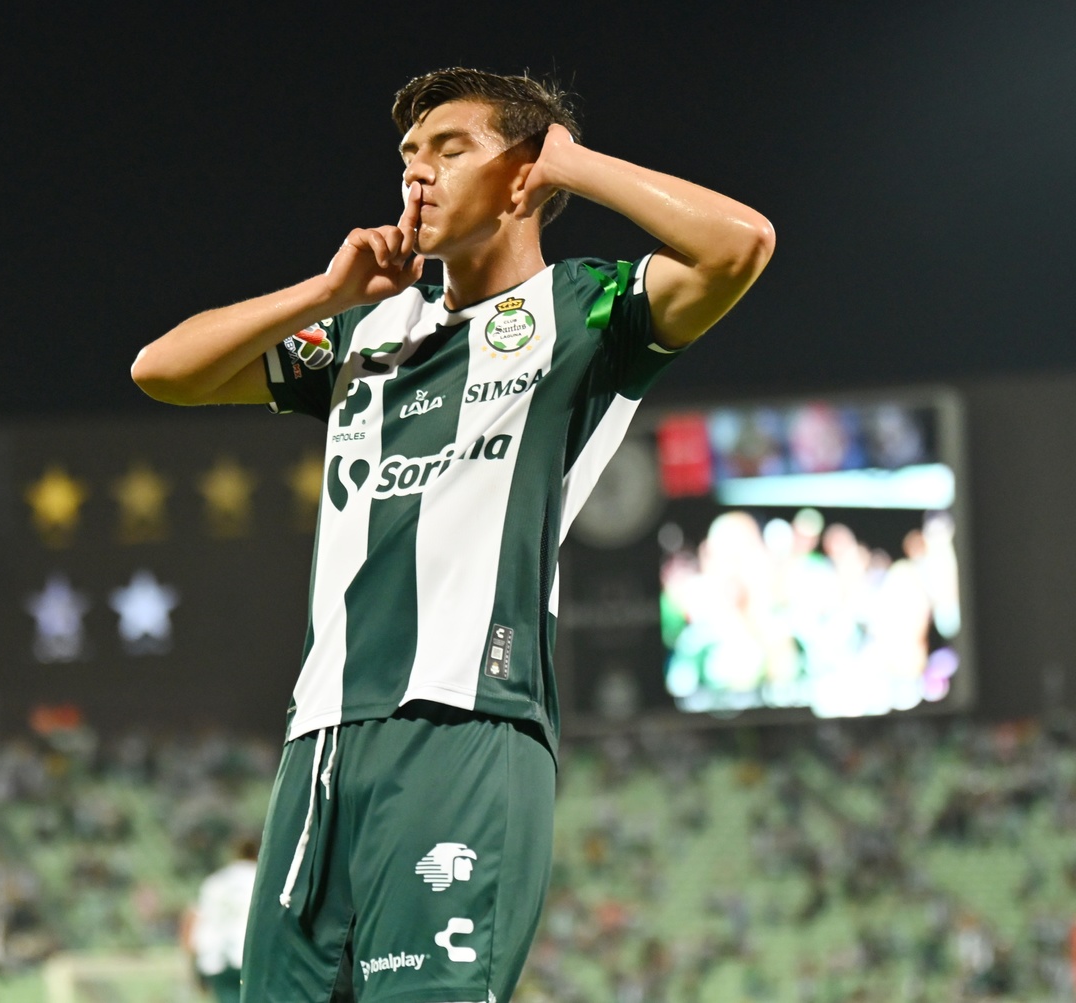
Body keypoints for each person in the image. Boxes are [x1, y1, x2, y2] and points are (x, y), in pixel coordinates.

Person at [133, 67, 774, 1003]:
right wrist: (324, 292)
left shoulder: (583, 314)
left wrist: (572, 163)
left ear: (522, 176)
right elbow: (164, 370)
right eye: (408, 156)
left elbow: (739, 245)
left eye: (450, 149)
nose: (417, 174)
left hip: (465, 722)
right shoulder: (365, 332)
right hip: (319, 741)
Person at [183, 837, 260, 1003]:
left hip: (216, 958)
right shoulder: (260, 879)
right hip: (249, 956)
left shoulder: (215, 881)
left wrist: (194, 968)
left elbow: (195, 922)